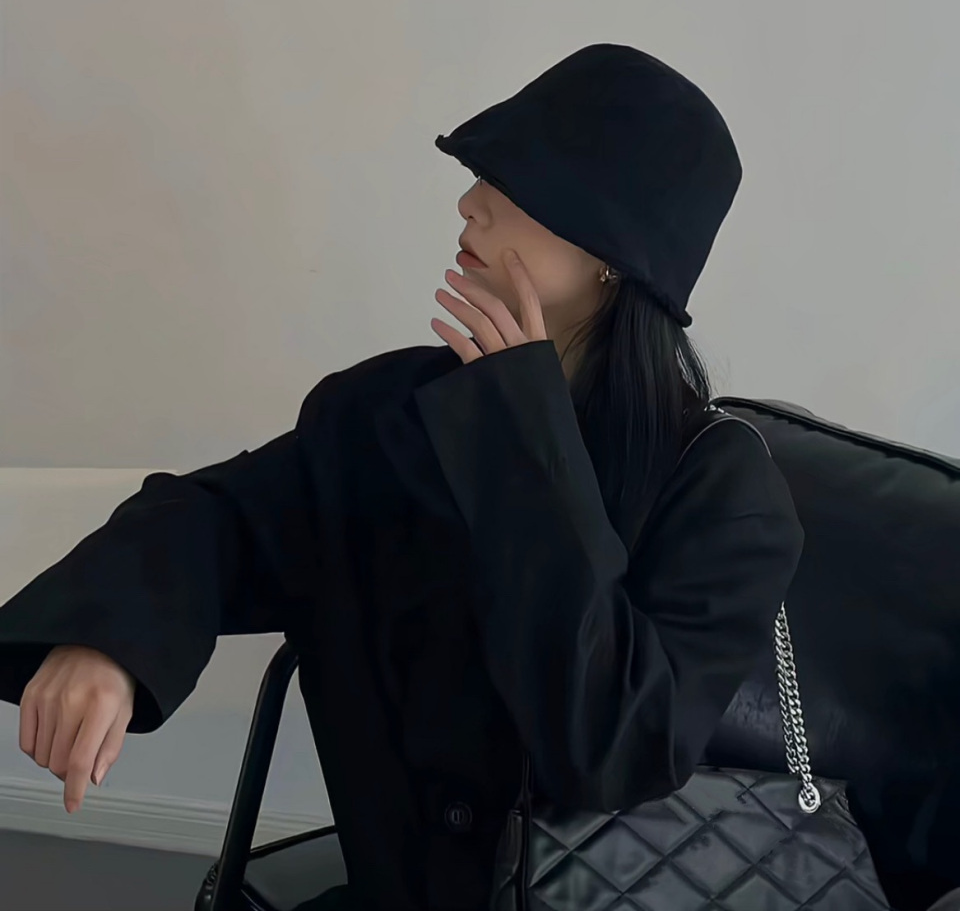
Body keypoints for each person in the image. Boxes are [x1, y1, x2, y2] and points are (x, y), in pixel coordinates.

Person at [0, 44, 804, 910]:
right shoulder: (389, 416)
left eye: (512, 186)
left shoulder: (722, 492)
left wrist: (527, 441)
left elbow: (608, 748)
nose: (469, 204)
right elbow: (220, 519)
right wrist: (108, 640)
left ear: (612, 253)